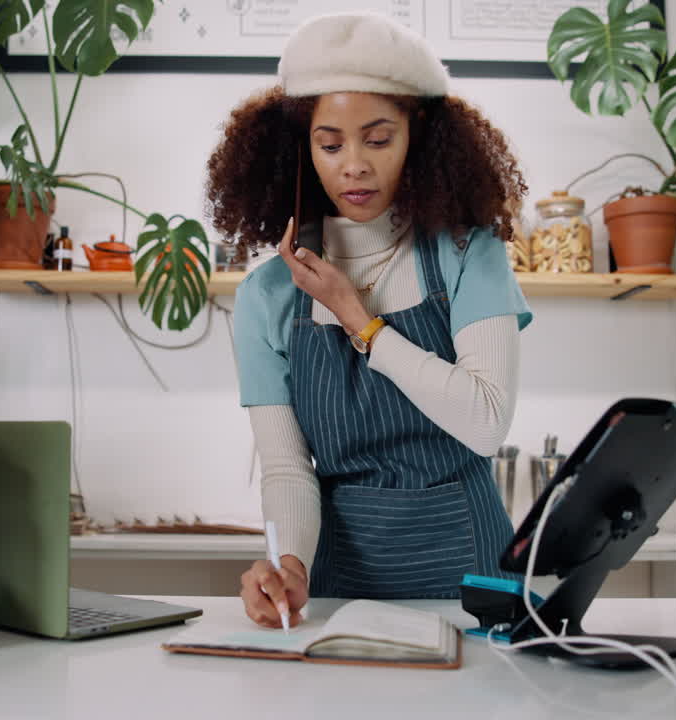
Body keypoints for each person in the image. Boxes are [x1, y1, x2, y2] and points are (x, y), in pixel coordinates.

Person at [206, 12, 532, 628]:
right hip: (337, 589)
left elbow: (486, 423)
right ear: (301, 151)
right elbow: (285, 468)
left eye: (378, 140)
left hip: (473, 578)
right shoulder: (268, 294)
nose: (352, 165)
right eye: (330, 145)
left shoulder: (468, 255)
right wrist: (290, 564)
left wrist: (357, 316)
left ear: (419, 139)